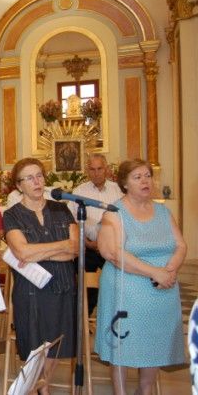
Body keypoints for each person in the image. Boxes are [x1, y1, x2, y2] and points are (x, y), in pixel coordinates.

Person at [95, 159, 186, 395]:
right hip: (127, 291)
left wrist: (170, 270)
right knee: (122, 348)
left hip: (161, 291)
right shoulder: (115, 213)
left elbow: (180, 245)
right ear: (124, 183)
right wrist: (154, 272)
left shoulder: (164, 211)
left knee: (154, 346)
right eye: (137, 177)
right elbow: (113, 253)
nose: (145, 181)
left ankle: (145, 392)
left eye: (147, 175)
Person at [3, 157, 78, 395]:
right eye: (29, 178)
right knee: (34, 343)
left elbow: (75, 248)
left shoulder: (61, 209)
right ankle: (39, 388)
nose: (37, 181)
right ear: (18, 185)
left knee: (59, 343)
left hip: (63, 286)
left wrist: (39, 252)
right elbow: (21, 251)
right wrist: (60, 247)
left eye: (39, 176)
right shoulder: (12, 215)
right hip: (31, 291)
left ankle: (43, 384)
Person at [67, 153, 122, 314]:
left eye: (100, 169)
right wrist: (86, 242)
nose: (96, 173)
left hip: (114, 248)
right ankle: (84, 318)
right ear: (87, 171)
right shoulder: (79, 192)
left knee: (116, 285)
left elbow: (125, 219)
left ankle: (114, 317)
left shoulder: (118, 190)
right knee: (87, 287)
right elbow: (71, 222)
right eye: (92, 169)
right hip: (88, 248)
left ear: (106, 169)